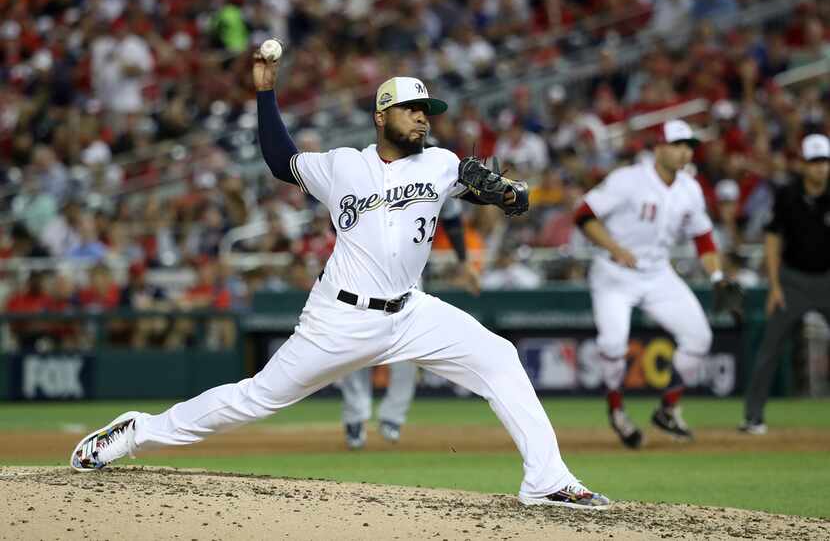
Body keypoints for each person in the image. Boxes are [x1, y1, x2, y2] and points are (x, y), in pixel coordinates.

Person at [68, 49, 610, 510]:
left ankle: (548, 481)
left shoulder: (442, 163)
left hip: (412, 312)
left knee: (499, 357)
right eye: (410, 109)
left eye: (427, 110)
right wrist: (265, 93)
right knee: (253, 399)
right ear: (381, 116)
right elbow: (281, 161)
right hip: (340, 318)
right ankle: (138, 431)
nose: (422, 117)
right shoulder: (343, 165)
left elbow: (518, 199)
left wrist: (504, 190)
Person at [575, 120, 735, 449]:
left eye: (689, 146)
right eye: (678, 145)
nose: (685, 152)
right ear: (659, 147)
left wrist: (718, 277)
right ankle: (617, 410)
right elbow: (583, 213)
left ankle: (668, 409)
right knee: (613, 345)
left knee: (699, 338)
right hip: (614, 275)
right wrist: (614, 248)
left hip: (658, 274)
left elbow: (703, 239)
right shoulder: (628, 180)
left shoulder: (689, 188)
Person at [341, 200, 475, 450]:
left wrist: (463, 261)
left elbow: (453, 217)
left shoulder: (433, 168)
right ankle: (355, 417)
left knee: (410, 347)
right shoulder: (362, 167)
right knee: (352, 346)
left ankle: (392, 417)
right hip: (360, 271)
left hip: (408, 274)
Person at [740, 134, 830, 434]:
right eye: (815, 162)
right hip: (792, 281)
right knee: (770, 348)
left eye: (825, 162)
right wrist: (775, 285)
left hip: (827, 279)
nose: (820, 168)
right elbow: (772, 239)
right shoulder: (787, 195)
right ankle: (753, 417)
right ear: (803, 164)